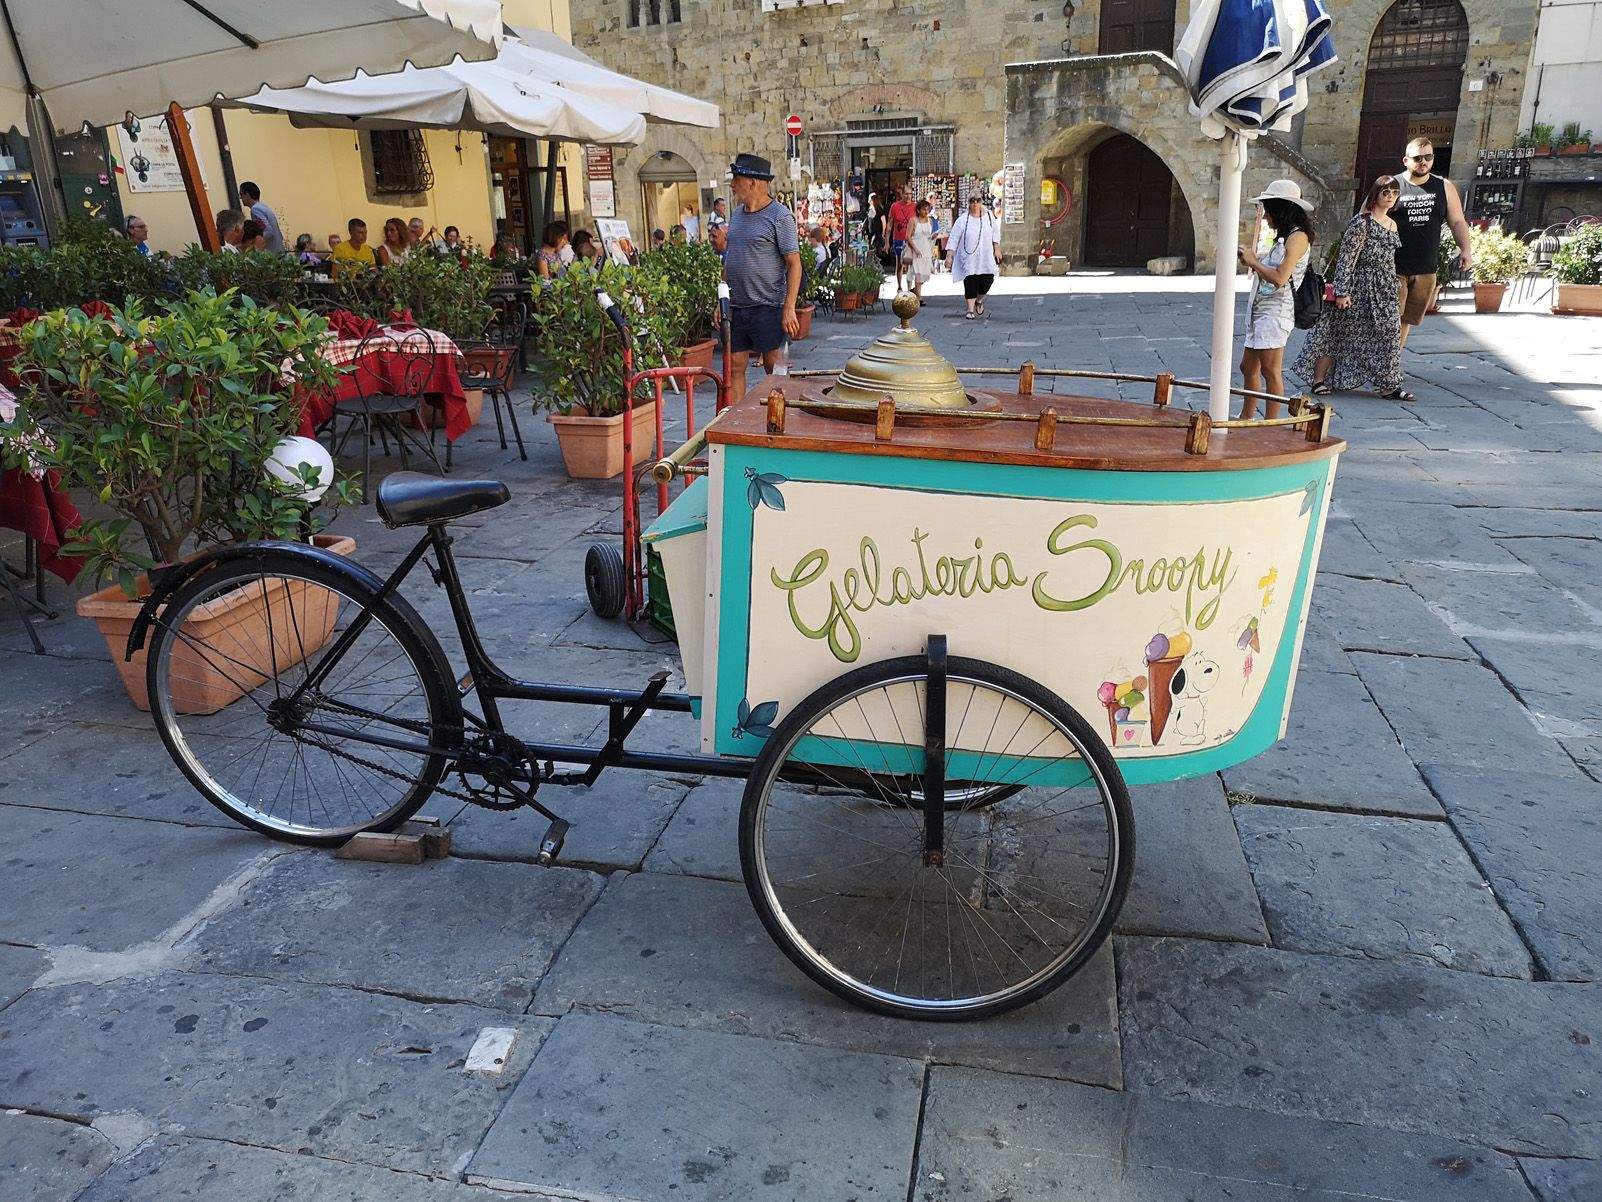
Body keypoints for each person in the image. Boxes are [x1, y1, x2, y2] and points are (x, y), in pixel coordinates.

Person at [1293, 176, 1411, 402]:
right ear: (1376, 194)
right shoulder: (1361, 223)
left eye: (1394, 193)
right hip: (1358, 285)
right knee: (1336, 332)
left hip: (1383, 287)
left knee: (1389, 332)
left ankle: (1389, 384)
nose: (1390, 196)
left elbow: (1389, 260)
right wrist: (1342, 291)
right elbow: (1346, 259)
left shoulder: (1392, 224)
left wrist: (1391, 287)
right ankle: (1318, 380)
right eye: (1385, 192)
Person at [721, 152, 801, 384]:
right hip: (737, 306)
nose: (732, 185)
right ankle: (737, 409)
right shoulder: (736, 215)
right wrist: (722, 300)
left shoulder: (780, 216)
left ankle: (778, 407)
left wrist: (789, 307)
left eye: (736, 179)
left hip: (768, 305)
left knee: (774, 368)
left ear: (752, 182)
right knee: (734, 366)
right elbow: (730, 257)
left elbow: (794, 264)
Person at [1236, 180, 1313, 420]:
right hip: (1261, 310)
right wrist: (1252, 260)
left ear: (1280, 210)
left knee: (1270, 369)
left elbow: (1280, 277)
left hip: (1276, 312)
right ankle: (1246, 417)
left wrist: (1253, 262)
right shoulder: (1284, 237)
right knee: (1248, 367)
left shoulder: (1297, 237)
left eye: (1268, 210)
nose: (1265, 216)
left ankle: (1270, 422)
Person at [1394, 136, 1471, 350]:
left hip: (1425, 267)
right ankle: (1386, 362)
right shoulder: (1392, 185)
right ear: (1406, 160)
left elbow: (1457, 221)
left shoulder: (1444, 187)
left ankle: (1392, 361)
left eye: (1428, 157)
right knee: (1391, 318)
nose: (1423, 162)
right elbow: (1368, 215)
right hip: (1393, 265)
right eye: (1418, 158)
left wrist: (1466, 249)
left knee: (1406, 320)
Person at [946, 194, 1000, 318]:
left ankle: (979, 300)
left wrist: (997, 249)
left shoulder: (989, 216)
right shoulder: (962, 219)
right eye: (972, 201)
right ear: (968, 203)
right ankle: (970, 310)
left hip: (986, 256)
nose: (975, 203)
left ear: (981, 202)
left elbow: (995, 233)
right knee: (970, 280)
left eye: (978, 200)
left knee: (987, 280)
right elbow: (954, 238)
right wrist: (949, 256)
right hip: (969, 257)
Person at [237, 182, 284, 253]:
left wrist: (253, 244)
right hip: (278, 249)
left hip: (272, 252)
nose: (240, 198)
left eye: (241, 194)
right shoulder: (263, 207)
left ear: (247, 195)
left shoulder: (255, 210)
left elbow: (268, 231)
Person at [888, 186, 917, 290]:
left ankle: (909, 288)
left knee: (910, 263)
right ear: (902, 194)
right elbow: (890, 224)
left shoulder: (915, 206)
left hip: (911, 239)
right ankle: (899, 286)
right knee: (900, 264)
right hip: (898, 238)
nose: (908, 196)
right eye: (906, 194)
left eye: (910, 194)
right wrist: (887, 242)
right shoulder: (895, 206)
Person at [906, 200, 936, 298]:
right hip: (916, 248)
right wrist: (915, 249)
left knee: (925, 274)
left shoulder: (930, 221)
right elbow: (908, 236)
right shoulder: (913, 220)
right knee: (918, 273)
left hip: (926, 249)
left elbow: (928, 236)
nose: (926, 212)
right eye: (924, 209)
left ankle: (914, 291)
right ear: (918, 210)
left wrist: (933, 236)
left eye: (928, 210)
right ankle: (919, 297)